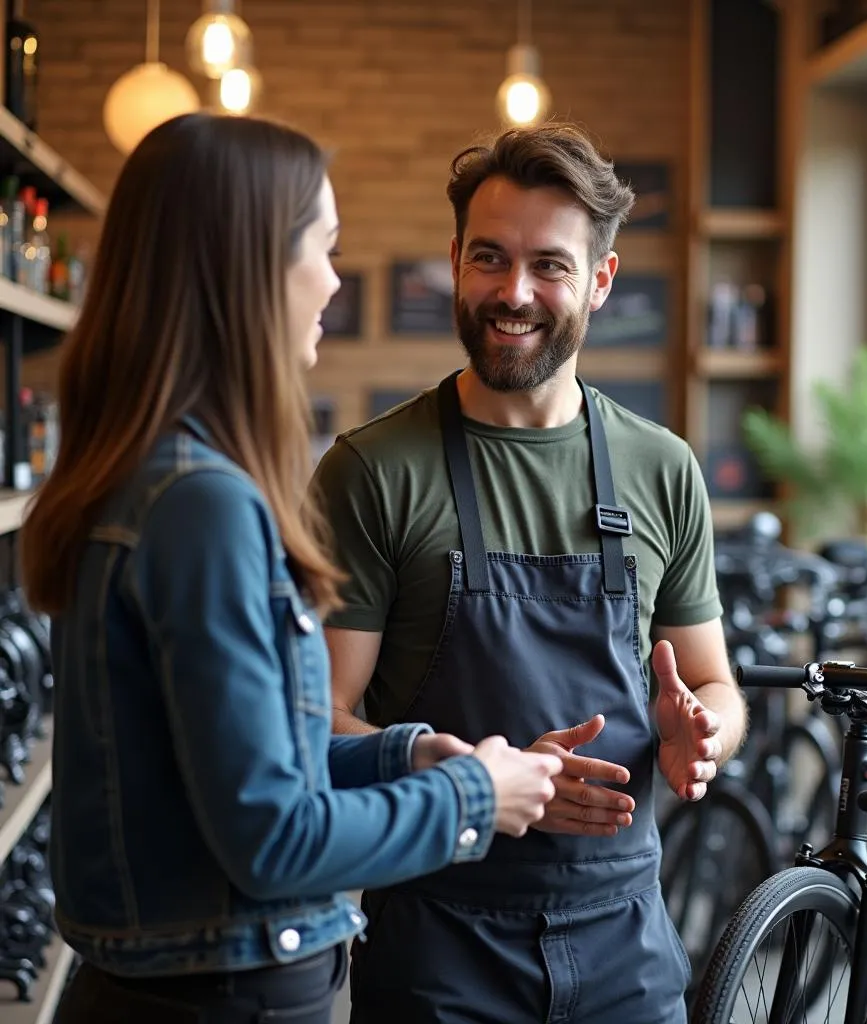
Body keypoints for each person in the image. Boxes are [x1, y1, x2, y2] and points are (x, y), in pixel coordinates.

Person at [19, 111, 563, 1024]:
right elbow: (273, 837)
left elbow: (230, 762)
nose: (334, 281)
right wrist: (475, 794)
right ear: (248, 266)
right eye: (325, 246)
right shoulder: (202, 506)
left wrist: (403, 753)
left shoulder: (147, 475)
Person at [311, 121, 749, 1023]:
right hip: (439, 943)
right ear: (456, 263)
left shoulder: (662, 468)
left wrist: (703, 735)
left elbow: (714, 684)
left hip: (625, 939)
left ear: (600, 279)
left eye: (549, 264)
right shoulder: (373, 470)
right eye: (489, 259)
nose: (514, 293)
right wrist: (476, 776)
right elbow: (316, 718)